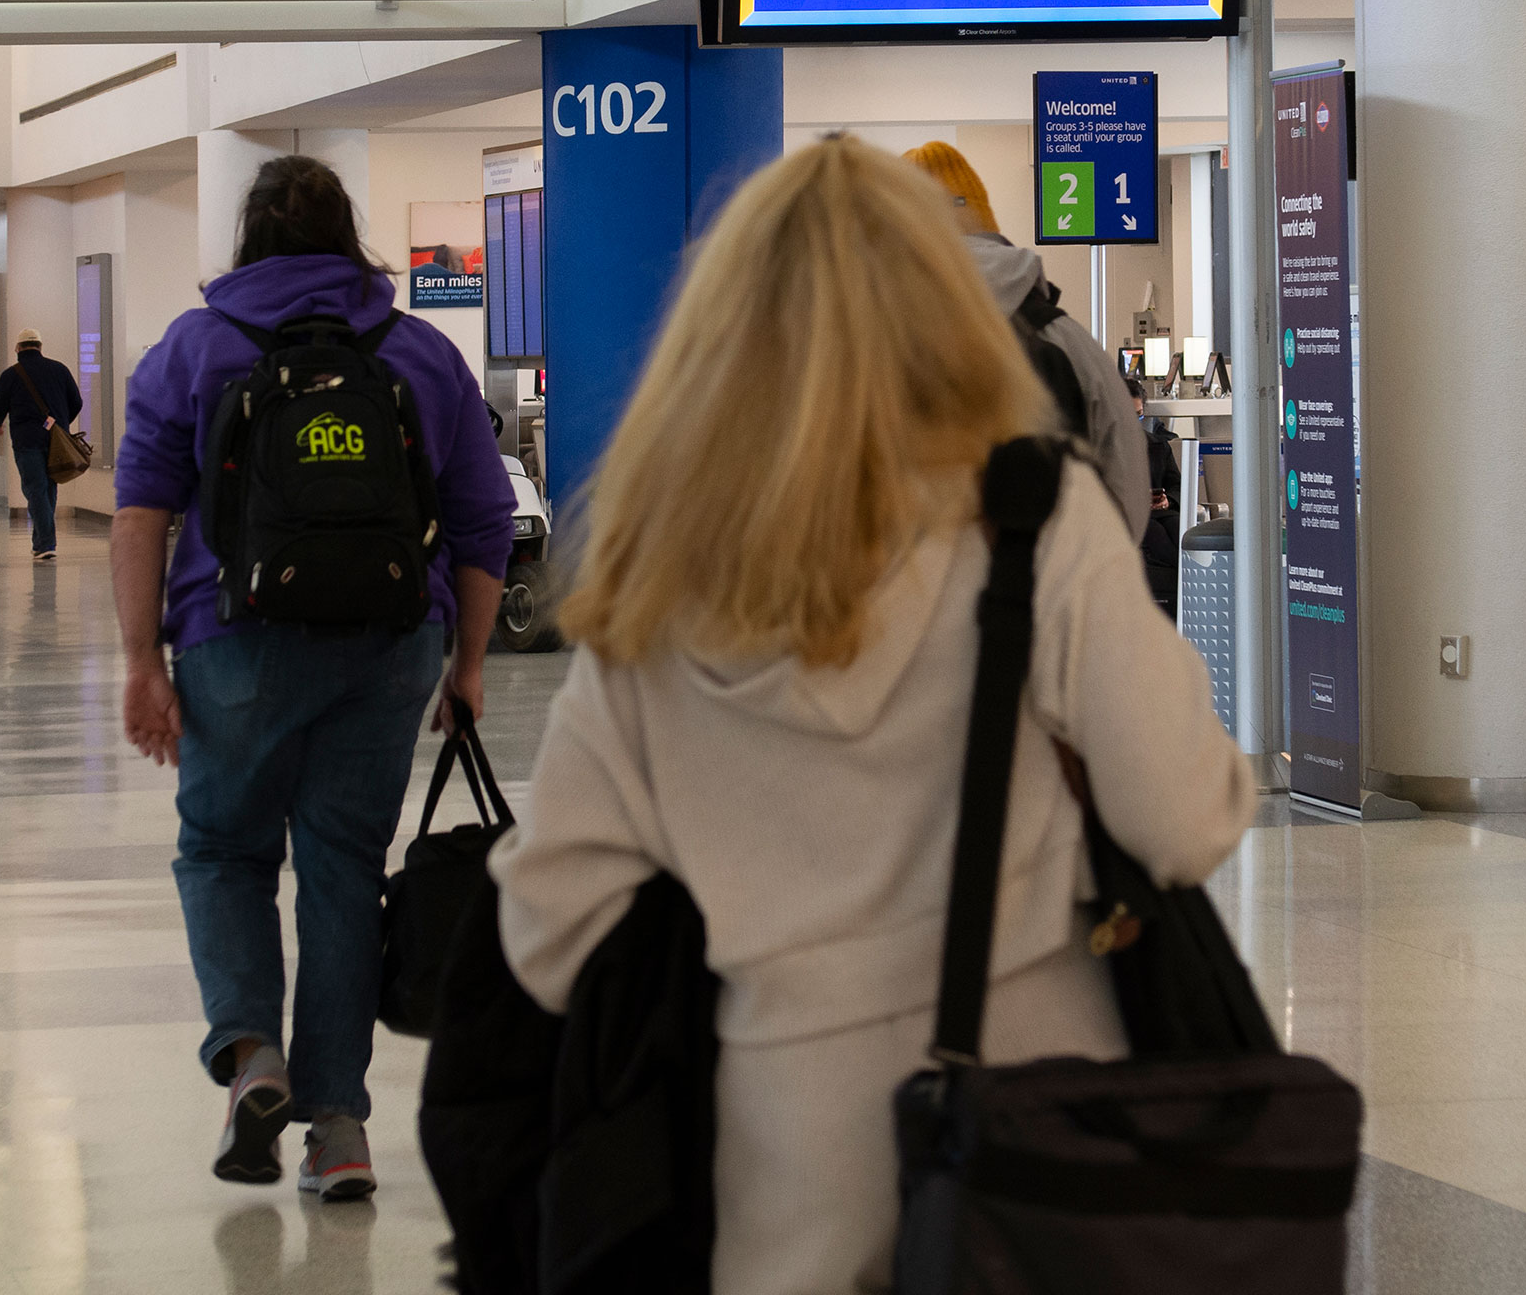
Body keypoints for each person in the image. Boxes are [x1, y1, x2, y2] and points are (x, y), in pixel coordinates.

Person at [490, 138, 1252, 1294]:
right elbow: (1186, 824)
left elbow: (551, 933)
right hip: (1045, 1136)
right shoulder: (1041, 522)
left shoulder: (660, 588)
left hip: (785, 1148)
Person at [111, 156, 511, 1201]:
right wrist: (466, 663)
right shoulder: (419, 351)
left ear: (247, 239)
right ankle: (339, 1132)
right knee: (342, 866)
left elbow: (140, 513)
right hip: (392, 642)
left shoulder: (194, 349)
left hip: (232, 638)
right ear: (351, 239)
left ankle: (254, 1058)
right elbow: (479, 523)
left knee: (223, 851)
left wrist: (139, 662)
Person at [900, 141, 1150, 541]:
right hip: (1055, 595)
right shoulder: (1073, 344)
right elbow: (1128, 499)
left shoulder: (867, 348)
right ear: (990, 232)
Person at [0, 327, 80, 561]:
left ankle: (47, 542)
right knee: (49, 488)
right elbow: (77, 401)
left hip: (27, 439)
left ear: (18, 349)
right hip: (56, 440)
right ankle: (40, 543)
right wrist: (61, 423)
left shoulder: (11, 374)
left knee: (35, 489)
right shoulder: (59, 369)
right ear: (40, 346)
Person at [1129, 374, 1181, 615]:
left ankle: (1183, 579)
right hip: (1130, 515)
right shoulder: (1101, 449)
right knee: (1156, 534)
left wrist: (1167, 500)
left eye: (1138, 414)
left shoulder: (1158, 446)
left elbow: (1175, 484)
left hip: (1161, 512)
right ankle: (1183, 577)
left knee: (1178, 527)